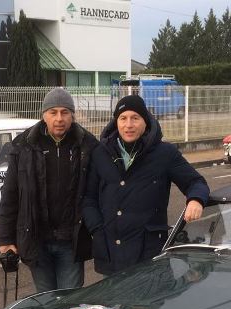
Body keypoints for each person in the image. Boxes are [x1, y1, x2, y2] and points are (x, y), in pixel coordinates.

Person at [82, 95, 209, 275]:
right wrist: (97, 230)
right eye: (123, 118)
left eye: (135, 118)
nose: (129, 125)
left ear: (145, 121)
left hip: (149, 253)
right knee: (112, 304)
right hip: (111, 252)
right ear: (116, 122)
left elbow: (196, 182)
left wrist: (195, 199)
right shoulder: (100, 153)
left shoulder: (165, 153)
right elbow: (88, 198)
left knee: (149, 303)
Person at [0, 87, 99, 292]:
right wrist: (5, 239)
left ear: (72, 116)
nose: (59, 118)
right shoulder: (23, 146)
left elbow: (100, 190)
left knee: (70, 299)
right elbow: (10, 195)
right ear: (44, 115)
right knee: (46, 299)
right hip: (37, 239)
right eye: (53, 112)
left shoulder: (88, 146)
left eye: (65, 112)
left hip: (71, 241)